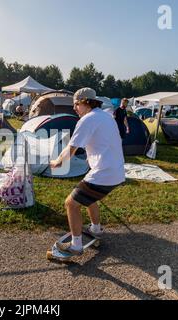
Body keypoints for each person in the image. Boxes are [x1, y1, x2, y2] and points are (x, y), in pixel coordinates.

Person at [50, 88, 125, 256]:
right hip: (116, 171)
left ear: (85, 102)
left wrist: (57, 161)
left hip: (104, 172)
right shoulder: (106, 115)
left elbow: (71, 149)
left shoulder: (87, 119)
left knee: (71, 203)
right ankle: (96, 229)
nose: (74, 108)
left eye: (76, 104)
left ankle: (76, 245)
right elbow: (106, 142)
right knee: (90, 197)